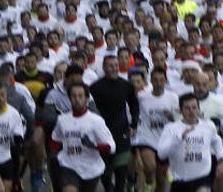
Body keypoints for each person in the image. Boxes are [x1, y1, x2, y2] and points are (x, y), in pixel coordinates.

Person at [50, 82, 115, 192]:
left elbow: (111, 147)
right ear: (69, 98)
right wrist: (54, 156)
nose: (77, 99)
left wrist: (93, 145)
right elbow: (55, 140)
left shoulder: (96, 121)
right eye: (74, 96)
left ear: (86, 98)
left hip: (90, 169)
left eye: (80, 96)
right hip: (68, 165)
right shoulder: (62, 120)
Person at [157, 93, 223, 192]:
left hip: (202, 177)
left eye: (194, 107)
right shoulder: (171, 128)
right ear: (181, 110)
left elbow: (216, 141)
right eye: (187, 108)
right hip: (178, 179)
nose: (191, 111)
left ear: (199, 109)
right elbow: (161, 154)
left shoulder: (208, 126)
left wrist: (222, 159)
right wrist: (179, 139)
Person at [89, 54, 140, 192]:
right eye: (110, 66)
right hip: (102, 135)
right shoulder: (95, 88)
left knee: (121, 172)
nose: (114, 68)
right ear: (104, 67)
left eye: (116, 65)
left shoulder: (126, 85)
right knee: (105, 173)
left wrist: (134, 124)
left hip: (122, 134)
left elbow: (134, 105)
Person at [133, 68, 177, 192]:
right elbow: (133, 111)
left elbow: (179, 119)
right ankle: (148, 181)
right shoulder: (142, 96)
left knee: (161, 181)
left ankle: (154, 186)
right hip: (148, 138)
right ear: (151, 80)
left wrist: (171, 116)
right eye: (156, 80)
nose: (158, 83)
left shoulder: (173, 98)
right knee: (150, 166)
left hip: (165, 140)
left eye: (161, 80)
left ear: (166, 81)